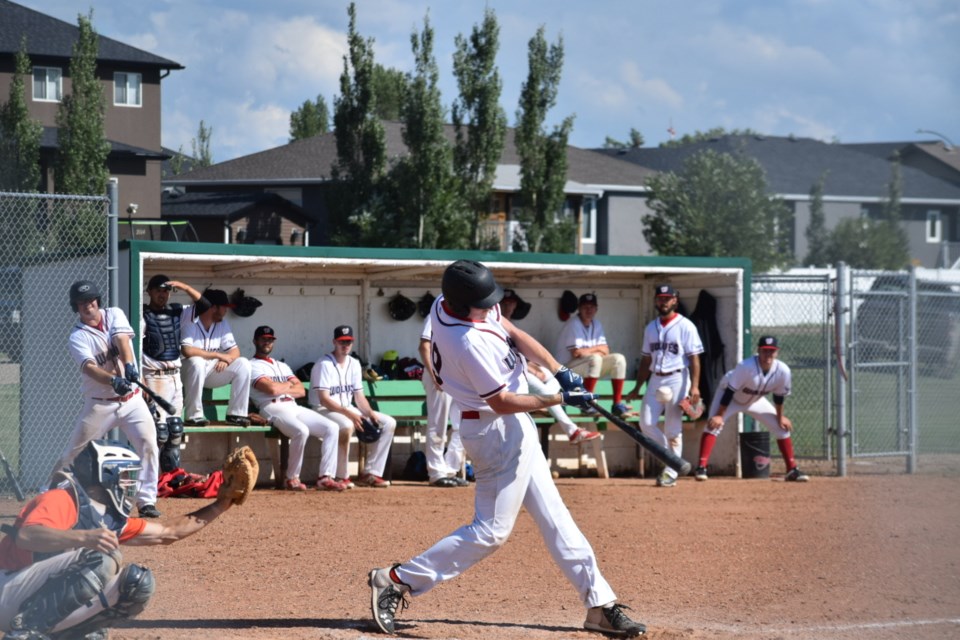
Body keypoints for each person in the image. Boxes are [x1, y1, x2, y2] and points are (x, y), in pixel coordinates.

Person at [368, 260, 646, 638]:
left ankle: (600, 605)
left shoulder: (452, 303)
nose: (491, 307)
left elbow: (513, 331)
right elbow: (501, 401)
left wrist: (557, 370)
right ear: (461, 304)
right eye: (483, 303)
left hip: (515, 428)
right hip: (491, 430)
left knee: (556, 518)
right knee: (490, 532)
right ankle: (396, 579)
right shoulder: (465, 342)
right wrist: (558, 397)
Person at [0, 440, 238, 639]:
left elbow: (168, 532)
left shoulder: (104, 515)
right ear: (106, 476)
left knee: (138, 583)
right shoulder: (62, 498)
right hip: (9, 589)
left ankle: (73, 634)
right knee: (105, 558)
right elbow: (26, 536)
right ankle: (25, 633)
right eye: (125, 477)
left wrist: (221, 505)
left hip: (30, 596)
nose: (130, 484)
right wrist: (85, 537)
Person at [54, 280, 161, 519]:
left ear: (98, 301)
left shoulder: (114, 314)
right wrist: (113, 380)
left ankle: (146, 501)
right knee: (74, 452)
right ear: (75, 307)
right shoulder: (77, 336)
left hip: (132, 401)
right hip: (100, 403)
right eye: (81, 303)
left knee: (148, 445)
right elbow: (90, 368)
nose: (87, 306)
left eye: (90, 300)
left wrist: (130, 365)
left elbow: (123, 340)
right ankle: (49, 495)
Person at [694, 335, 810, 482]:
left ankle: (792, 470)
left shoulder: (783, 371)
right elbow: (730, 391)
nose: (768, 354)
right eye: (764, 350)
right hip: (730, 397)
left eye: (771, 351)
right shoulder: (746, 367)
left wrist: (780, 417)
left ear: (777, 352)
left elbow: (779, 397)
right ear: (758, 350)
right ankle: (701, 467)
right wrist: (719, 415)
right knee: (713, 425)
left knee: (781, 429)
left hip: (755, 400)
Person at [248, 325, 345, 491]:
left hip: (292, 405)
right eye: (264, 339)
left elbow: (301, 391)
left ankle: (325, 477)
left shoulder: (282, 365)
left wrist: (281, 386)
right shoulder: (251, 365)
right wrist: (287, 384)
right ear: (255, 341)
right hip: (271, 407)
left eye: (270, 339)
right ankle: (292, 478)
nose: (267, 342)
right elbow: (271, 390)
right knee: (301, 431)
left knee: (332, 427)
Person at [625, 284, 704, 488]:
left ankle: (671, 471)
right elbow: (645, 360)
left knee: (673, 428)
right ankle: (671, 458)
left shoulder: (686, 326)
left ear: (675, 301)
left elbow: (694, 358)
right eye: (660, 298)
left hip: (678, 378)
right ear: (656, 301)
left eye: (668, 298)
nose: (664, 301)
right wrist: (637, 388)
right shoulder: (651, 327)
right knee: (646, 423)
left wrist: (694, 387)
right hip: (656, 379)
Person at [500, 289, 601, 446]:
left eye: (511, 303)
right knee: (544, 391)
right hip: (506, 378)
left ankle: (545, 405)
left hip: (521, 374)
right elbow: (504, 357)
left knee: (552, 376)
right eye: (504, 303)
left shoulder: (510, 325)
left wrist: (535, 366)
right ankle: (571, 430)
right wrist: (530, 369)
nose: (508, 307)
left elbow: (520, 353)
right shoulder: (494, 325)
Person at [309, 325, 397, 488]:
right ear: (334, 342)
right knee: (346, 424)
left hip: (347, 407)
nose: (345, 345)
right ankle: (342, 476)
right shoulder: (324, 364)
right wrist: (350, 414)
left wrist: (369, 413)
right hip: (323, 410)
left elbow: (359, 396)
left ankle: (371, 473)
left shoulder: (355, 364)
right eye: (342, 341)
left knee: (388, 423)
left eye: (348, 341)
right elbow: (324, 400)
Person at [140, 274, 206, 474]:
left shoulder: (178, 311)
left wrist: (184, 286)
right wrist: (141, 377)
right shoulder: (141, 312)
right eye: (158, 290)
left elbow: (204, 305)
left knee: (175, 429)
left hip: (175, 376)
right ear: (149, 291)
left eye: (166, 290)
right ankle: (151, 478)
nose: (163, 294)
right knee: (158, 432)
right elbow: (134, 345)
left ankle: (171, 476)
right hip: (154, 375)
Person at [180, 288, 252, 427]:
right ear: (213, 308)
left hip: (210, 371)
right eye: (224, 307)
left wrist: (225, 359)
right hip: (186, 371)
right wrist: (218, 355)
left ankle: (236, 414)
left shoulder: (222, 323)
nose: (226, 311)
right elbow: (187, 350)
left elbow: (235, 351)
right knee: (197, 362)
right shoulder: (191, 320)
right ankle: (193, 416)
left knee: (243, 363)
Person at [554, 293, 632, 417]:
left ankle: (617, 404)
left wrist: (591, 350)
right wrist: (597, 349)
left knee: (618, 359)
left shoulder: (597, 324)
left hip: (586, 368)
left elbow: (606, 350)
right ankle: (587, 403)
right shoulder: (573, 323)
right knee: (595, 358)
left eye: (592, 307)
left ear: (596, 309)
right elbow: (577, 353)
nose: (589, 310)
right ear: (579, 308)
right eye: (585, 307)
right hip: (566, 372)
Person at [418, 313, 468, 488]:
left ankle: (450, 468)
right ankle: (436, 472)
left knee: (462, 424)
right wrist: (434, 375)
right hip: (438, 373)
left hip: (459, 375)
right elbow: (424, 346)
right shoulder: (436, 315)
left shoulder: (465, 316)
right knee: (437, 424)